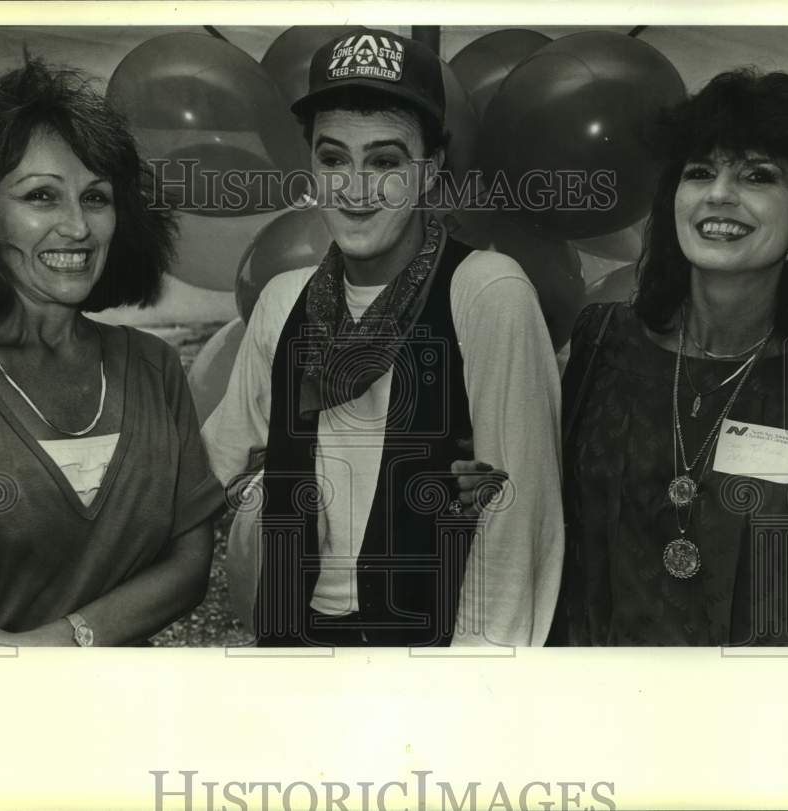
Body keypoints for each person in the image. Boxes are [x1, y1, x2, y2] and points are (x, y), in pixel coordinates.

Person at [203, 29, 564, 646]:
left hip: (431, 650)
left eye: (386, 160)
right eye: (334, 158)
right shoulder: (285, 300)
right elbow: (222, 462)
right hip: (297, 642)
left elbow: (518, 510)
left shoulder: (485, 291)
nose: (356, 186)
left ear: (431, 168)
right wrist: (269, 502)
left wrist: (478, 677)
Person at [0, 58, 220, 647]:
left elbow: (189, 567)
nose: (77, 227)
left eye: (96, 198)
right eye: (42, 196)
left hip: (136, 719)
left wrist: (43, 646)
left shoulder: (154, 366)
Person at [546, 69, 788, 645]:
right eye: (700, 172)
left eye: (757, 176)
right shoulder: (601, 346)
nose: (718, 194)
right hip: (600, 703)